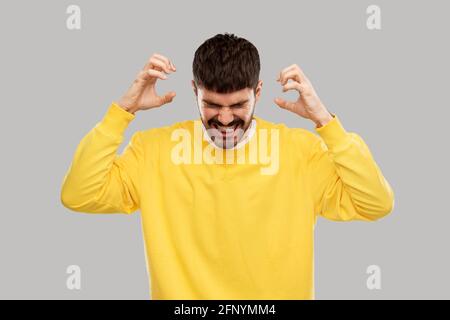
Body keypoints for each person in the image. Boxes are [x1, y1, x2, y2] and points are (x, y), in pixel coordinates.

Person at [60, 33, 394, 299]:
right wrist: (123, 111)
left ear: (258, 92)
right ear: (194, 91)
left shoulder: (300, 151)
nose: (224, 118)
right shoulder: (154, 150)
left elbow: (376, 203)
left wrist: (325, 122)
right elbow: (79, 194)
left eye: (237, 104)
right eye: (211, 104)